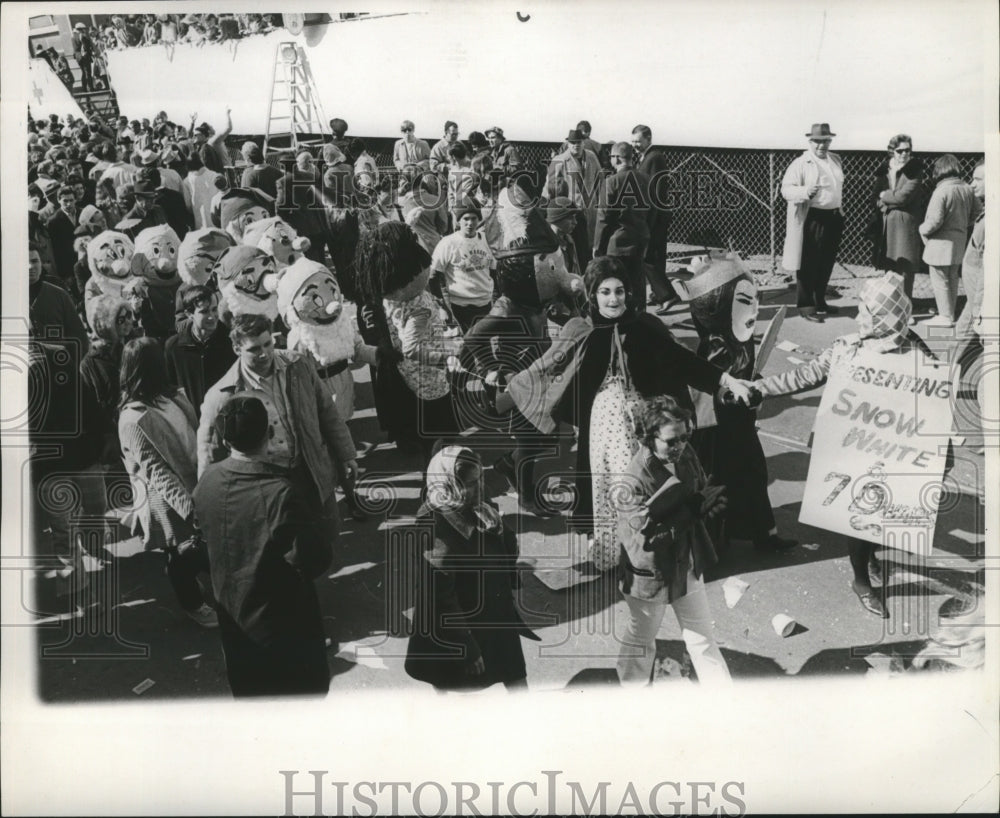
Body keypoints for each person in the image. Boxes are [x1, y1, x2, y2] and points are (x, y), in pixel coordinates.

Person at [504, 256, 752, 569]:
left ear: (629, 293)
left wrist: (726, 380)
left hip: (642, 423)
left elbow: (682, 361)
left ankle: (645, 549)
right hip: (602, 425)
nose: (613, 298)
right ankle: (610, 552)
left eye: (619, 291)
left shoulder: (644, 327)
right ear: (592, 295)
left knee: (643, 483)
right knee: (606, 484)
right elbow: (550, 367)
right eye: (605, 292)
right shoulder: (581, 330)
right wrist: (513, 389)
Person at [754, 273, 930, 618]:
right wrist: (762, 388)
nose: (860, 314)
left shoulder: (915, 350)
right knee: (857, 519)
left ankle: (869, 557)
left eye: (866, 308)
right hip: (848, 451)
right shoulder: (847, 348)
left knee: (879, 515)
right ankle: (861, 581)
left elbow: (931, 406)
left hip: (890, 452)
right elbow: (804, 375)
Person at [193, 395, 331, 697]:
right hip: (283, 627)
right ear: (269, 435)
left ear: (225, 440)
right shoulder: (281, 493)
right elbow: (314, 559)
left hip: (235, 623)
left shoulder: (208, 481)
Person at [197, 313, 359, 549]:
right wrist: (208, 502)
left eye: (267, 344)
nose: (264, 353)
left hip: (309, 470)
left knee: (325, 536)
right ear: (236, 348)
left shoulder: (298, 365)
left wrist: (347, 454)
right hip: (266, 487)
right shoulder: (221, 396)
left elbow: (327, 412)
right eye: (254, 349)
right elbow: (209, 453)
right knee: (283, 548)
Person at [616, 395, 732, 686]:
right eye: (672, 441)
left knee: (702, 637)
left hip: (686, 564)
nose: (680, 446)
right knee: (642, 637)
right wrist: (693, 511)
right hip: (650, 574)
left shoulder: (685, 452)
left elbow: (698, 487)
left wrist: (707, 504)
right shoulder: (632, 482)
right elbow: (647, 542)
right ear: (648, 438)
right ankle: (631, 693)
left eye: (684, 436)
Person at [405, 445, 538, 691]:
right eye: (471, 483)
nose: (481, 488)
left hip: (493, 613)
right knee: (452, 684)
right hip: (464, 625)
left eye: (481, 478)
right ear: (449, 485)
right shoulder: (435, 530)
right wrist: (466, 645)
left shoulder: (474, 504)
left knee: (515, 676)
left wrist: (500, 530)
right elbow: (440, 598)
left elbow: (506, 549)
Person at [117, 337, 216, 626]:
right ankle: (192, 603)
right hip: (167, 499)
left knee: (191, 549)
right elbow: (156, 472)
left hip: (194, 481)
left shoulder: (173, 396)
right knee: (179, 553)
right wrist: (190, 507)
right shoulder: (132, 419)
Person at [353, 222, 462, 460]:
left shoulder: (391, 297)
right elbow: (413, 348)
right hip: (429, 377)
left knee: (423, 423)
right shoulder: (418, 306)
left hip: (408, 373)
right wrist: (447, 354)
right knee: (440, 432)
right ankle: (439, 469)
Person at [781, 123, 845, 323]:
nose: (821, 145)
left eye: (826, 141)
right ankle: (806, 306)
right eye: (817, 141)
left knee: (826, 262)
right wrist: (804, 192)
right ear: (810, 142)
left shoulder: (835, 159)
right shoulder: (801, 163)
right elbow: (786, 189)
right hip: (813, 217)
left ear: (830, 141)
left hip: (833, 216)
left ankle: (819, 301)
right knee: (809, 263)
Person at [918, 154, 978, 328]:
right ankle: (949, 312)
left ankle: (944, 316)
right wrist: (963, 225)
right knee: (952, 277)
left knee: (939, 278)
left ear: (939, 171)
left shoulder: (942, 190)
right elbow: (977, 212)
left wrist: (922, 228)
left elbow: (935, 220)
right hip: (959, 240)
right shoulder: (967, 188)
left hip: (940, 243)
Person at [594, 143, 651, 310]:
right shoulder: (645, 179)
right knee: (638, 285)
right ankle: (640, 322)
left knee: (617, 288)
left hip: (616, 244)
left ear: (617, 158)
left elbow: (603, 217)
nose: (610, 160)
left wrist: (597, 246)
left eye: (611, 157)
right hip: (640, 241)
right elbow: (653, 211)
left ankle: (620, 325)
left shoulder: (611, 182)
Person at [164, 285, 236, 418]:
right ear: (189, 314)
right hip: (191, 424)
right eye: (204, 312)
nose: (212, 316)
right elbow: (170, 391)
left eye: (214, 310)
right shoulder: (173, 348)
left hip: (228, 421)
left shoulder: (232, 341)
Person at [869, 134, 926, 301]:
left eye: (907, 150)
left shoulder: (915, 171)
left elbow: (904, 198)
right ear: (892, 151)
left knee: (906, 266)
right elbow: (874, 198)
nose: (904, 154)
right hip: (886, 222)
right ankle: (891, 304)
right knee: (890, 264)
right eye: (900, 150)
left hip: (905, 223)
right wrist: (886, 200)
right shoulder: (884, 170)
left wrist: (885, 196)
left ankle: (906, 308)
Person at [429, 202, 496, 332]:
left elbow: (493, 272)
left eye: (474, 218)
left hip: (485, 302)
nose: (470, 223)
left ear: (479, 220)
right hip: (462, 304)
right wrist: (442, 307)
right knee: (476, 343)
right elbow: (433, 276)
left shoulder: (486, 240)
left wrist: (496, 298)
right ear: (459, 220)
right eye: (466, 219)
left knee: (482, 342)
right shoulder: (448, 243)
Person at [632, 124, 677, 313]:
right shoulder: (647, 157)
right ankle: (657, 294)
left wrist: (648, 221)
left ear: (649, 139)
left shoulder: (654, 158)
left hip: (654, 216)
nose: (635, 145)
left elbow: (655, 193)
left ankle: (667, 295)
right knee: (655, 258)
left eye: (638, 141)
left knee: (647, 258)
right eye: (633, 141)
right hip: (656, 215)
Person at [546, 128, 602, 268]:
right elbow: (550, 188)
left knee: (589, 249)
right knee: (575, 250)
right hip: (571, 214)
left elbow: (600, 180)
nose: (576, 145)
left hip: (590, 211)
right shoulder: (560, 160)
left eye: (579, 142)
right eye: (573, 142)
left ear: (584, 142)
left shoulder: (591, 157)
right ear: (568, 144)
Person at [955, 159, 986, 340]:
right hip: (975, 299)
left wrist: (979, 311)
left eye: (979, 179)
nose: (972, 184)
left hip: (979, 302)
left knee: (958, 347)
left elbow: (987, 273)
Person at [72, 22, 95, 92]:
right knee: (87, 72)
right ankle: (91, 88)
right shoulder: (81, 35)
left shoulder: (73, 36)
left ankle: (84, 88)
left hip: (78, 57)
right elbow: (85, 46)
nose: (85, 30)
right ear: (81, 29)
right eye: (83, 29)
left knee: (83, 72)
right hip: (84, 56)